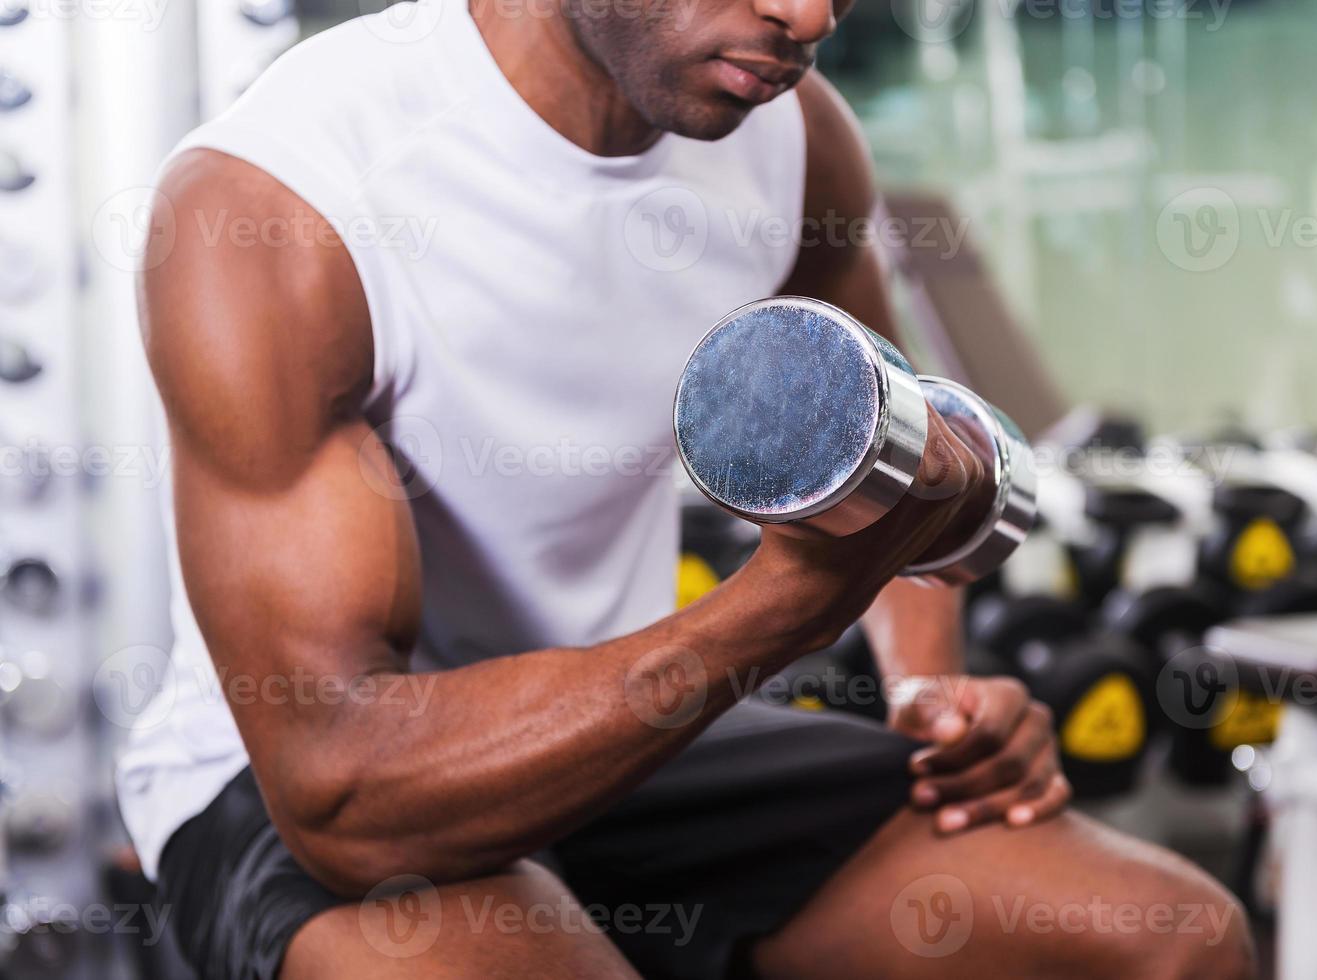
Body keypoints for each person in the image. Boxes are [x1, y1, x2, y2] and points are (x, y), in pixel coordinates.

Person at [118, 0, 1256, 975]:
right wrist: (791, 599)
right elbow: (345, 799)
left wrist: (926, 687)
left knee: (1171, 940)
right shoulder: (283, 205)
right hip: (307, 782)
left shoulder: (792, 140)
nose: (809, 19)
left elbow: (888, 430)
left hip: (636, 735)